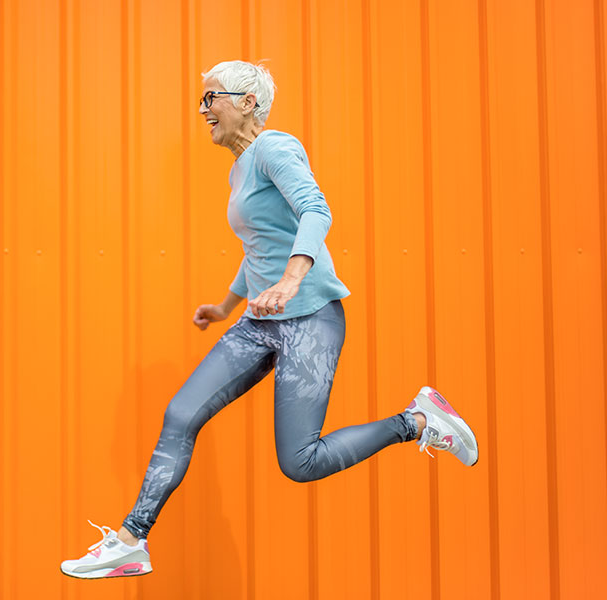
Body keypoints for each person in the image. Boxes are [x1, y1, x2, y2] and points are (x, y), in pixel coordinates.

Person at [60, 60, 478, 580]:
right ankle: (131, 541)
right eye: (202, 100)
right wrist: (227, 305)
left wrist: (292, 280)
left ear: (247, 103)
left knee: (301, 462)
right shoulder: (241, 167)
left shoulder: (275, 148)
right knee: (181, 414)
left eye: (212, 99)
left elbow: (316, 210)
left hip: (309, 320)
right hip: (261, 322)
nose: (203, 110)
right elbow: (260, 245)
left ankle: (419, 421)